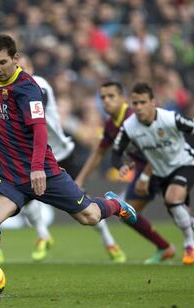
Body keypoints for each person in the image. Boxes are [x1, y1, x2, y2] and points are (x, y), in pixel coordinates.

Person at [0, 34, 136, 279]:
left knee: (89, 216)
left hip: (43, 172)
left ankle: (114, 204)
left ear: (16, 58)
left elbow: (39, 129)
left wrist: (37, 167)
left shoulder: (27, 88)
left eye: (2, 62)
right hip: (7, 175)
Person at [76, 81, 194, 264]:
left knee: (150, 210)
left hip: (158, 169)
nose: (106, 101)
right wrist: (81, 178)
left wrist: (145, 176)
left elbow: (156, 146)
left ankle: (180, 245)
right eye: (102, 97)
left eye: (111, 96)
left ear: (123, 98)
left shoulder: (136, 115)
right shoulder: (113, 124)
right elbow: (102, 152)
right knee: (171, 212)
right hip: (152, 168)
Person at [15, 55, 126, 263]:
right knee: (24, 195)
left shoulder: (39, 85)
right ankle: (43, 236)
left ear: (30, 68)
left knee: (84, 205)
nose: (19, 72)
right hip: (35, 157)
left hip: (62, 153)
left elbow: (33, 114)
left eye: (23, 68)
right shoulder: (12, 92)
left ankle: (109, 240)